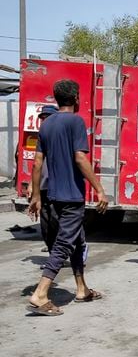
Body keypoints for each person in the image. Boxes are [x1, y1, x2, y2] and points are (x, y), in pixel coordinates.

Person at [26, 79, 109, 316]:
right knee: (64, 243)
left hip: (52, 195)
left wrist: (36, 196)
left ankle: (82, 289)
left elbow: (37, 163)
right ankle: (41, 293)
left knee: (78, 242)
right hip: (71, 196)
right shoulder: (76, 122)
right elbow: (80, 159)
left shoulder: (47, 125)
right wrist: (100, 189)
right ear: (76, 98)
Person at [33, 105, 59, 252]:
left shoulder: (61, 138)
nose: (44, 121)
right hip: (44, 188)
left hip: (58, 188)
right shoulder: (42, 138)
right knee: (45, 224)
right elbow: (36, 165)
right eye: (43, 118)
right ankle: (53, 254)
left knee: (57, 221)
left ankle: (69, 252)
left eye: (47, 118)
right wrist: (33, 189)